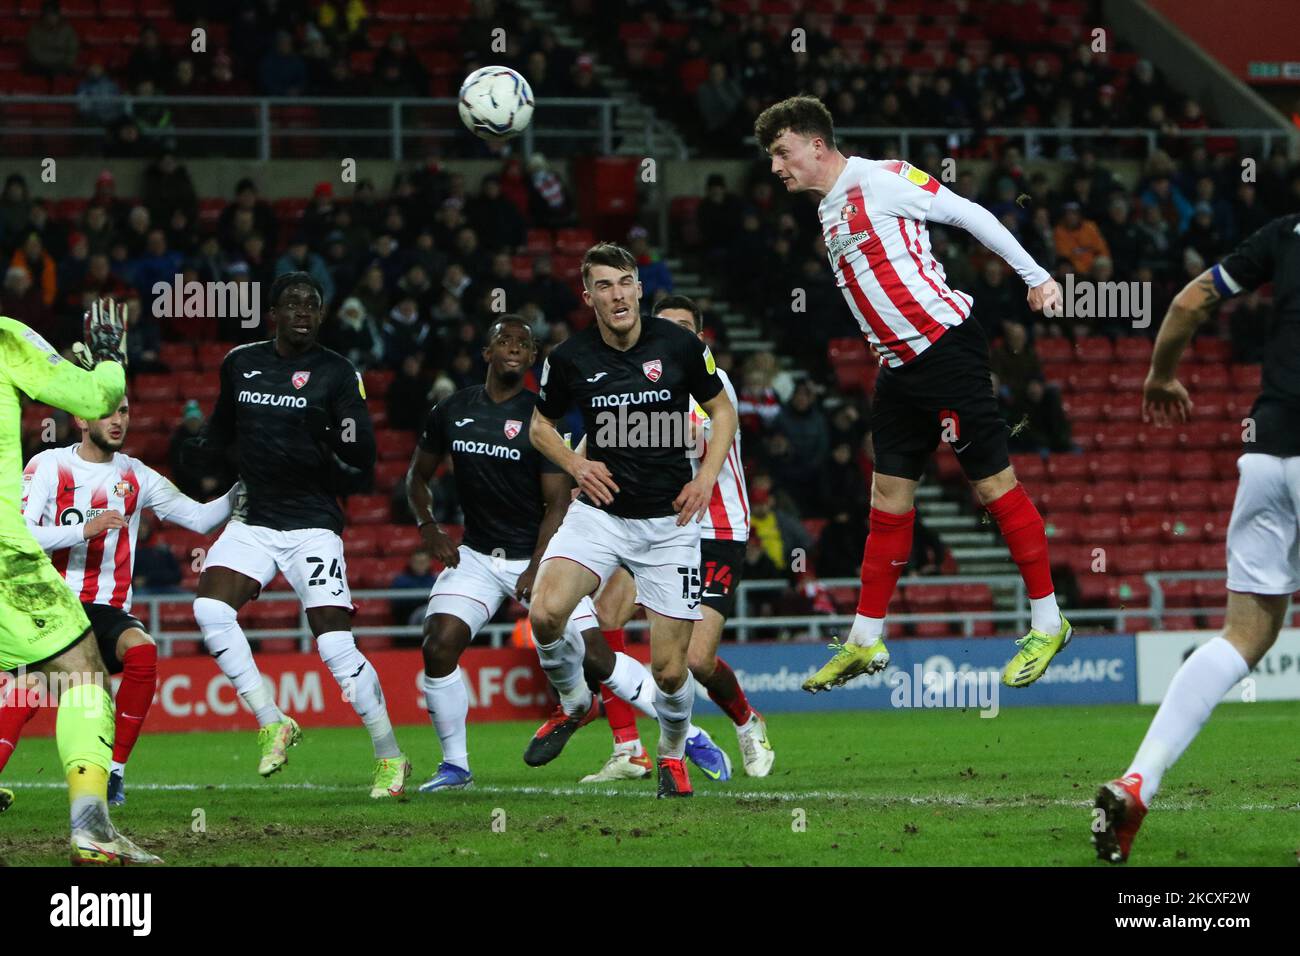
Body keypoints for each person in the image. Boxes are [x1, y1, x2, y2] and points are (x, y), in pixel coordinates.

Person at [753, 95, 1070, 693]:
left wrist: (1037, 277)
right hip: (900, 369)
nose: (776, 166)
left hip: (946, 349)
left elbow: (970, 214)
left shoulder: (884, 177)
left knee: (992, 485)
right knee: (888, 498)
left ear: (815, 145)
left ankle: (1049, 622)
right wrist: (882, 336)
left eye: (781, 152)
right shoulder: (827, 209)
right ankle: (866, 638)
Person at [1094, 212, 1300, 863]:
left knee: (1243, 633)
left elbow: (1189, 300)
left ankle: (1138, 781)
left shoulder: (1286, 232)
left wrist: (1160, 372)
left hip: (1267, 451)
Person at [404, 315, 656, 792]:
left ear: (533, 357)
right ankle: (456, 766)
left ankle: (666, 730)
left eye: (524, 343)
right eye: (504, 339)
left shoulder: (541, 420)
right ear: (487, 353)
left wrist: (538, 565)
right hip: (476, 556)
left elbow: (558, 502)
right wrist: (428, 526)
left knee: (596, 654)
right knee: (437, 647)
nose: (515, 347)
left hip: (539, 554)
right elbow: (416, 476)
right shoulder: (451, 410)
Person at [183, 272, 410, 798]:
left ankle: (390, 757)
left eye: (312, 304)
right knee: (210, 610)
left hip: (312, 526)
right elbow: (219, 431)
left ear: (321, 315)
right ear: (274, 314)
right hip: (254, 518)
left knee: (333, 644)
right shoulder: (241, 364)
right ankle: (271, 721)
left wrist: (329, 429)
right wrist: (192, 449)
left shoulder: (336, 372)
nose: (303, 311)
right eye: (293, 303)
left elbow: (362, 451)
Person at [525, 243, 739, 797]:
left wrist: (706, 477)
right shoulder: (569, 357)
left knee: (670, 672)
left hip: (668, 526)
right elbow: (539, 427)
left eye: (624, 283)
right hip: (600, 515)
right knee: (546, 613)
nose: (616, 295)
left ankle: (670, 754)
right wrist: (575, 462)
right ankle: (575, 702)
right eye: (603, 285)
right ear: (588, 295)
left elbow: (723, 410)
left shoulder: (681, 345)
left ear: (639, 288)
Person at [3, 394, 238, 805]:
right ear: (79, 416)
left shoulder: (136, 476)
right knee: (28, 690)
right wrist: (82, 531)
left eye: (124, 411)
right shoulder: (48, 465)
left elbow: (201, 519)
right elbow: (18, 535)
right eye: (107, 411)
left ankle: (114, 772)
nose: (118, 421)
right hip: (53, 604)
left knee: (142, 652)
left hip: (106, 610)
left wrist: (246, 488)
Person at [580, 294, 774, 783]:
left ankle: (748, 722)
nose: (676, 338)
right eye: (665, 328)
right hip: (656, 526)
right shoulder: (640, 384)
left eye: (685, 328)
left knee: (694, 659)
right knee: (604, 619)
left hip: (715, 529)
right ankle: (629, 749)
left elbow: (691, 436)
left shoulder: (711, 383)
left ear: (700, 337)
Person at [0, 300, 159, 863]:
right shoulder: (7, 339)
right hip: (5, 551)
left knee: (23, 678)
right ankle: (91, 829)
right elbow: (94, 399)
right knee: (86, 677)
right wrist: (112, 357)